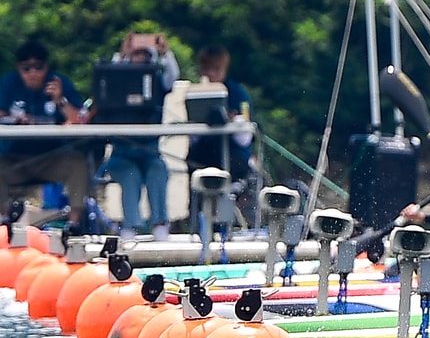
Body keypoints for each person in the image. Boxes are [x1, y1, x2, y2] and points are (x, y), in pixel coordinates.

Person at [0, 41, 92, 234]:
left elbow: (79, 120)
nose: (33, 72)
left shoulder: (59, 82)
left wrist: (60, 100)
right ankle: (4, 221)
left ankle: (74, 225)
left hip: (51, 158)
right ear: (19, 69)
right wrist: (14, 119)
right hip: (15, 159)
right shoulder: (8, 83)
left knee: (78, 163)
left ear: (46, 67)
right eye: (26, 68)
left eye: (38, 67)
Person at [101, 31, 177, 239]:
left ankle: (160, 224)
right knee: (129, 174)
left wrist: (165, 52)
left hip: (149, 152)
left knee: (158, 170)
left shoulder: (156, 80)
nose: (140, 57)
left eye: (144, 53)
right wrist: (122, 54)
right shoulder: (117, 80)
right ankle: (130, 227)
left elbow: (172, 79)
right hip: (121, 153)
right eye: (136, 53)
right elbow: (107, 79)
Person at [186, 45, 255, 183]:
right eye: (206, 69)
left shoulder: (239, 95)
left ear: (225, 69)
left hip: (234, 154)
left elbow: (245, 140)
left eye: (216, 69)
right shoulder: (193, 94)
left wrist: (234, 121)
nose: (211, 74)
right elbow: (193, 139)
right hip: (203, 155)